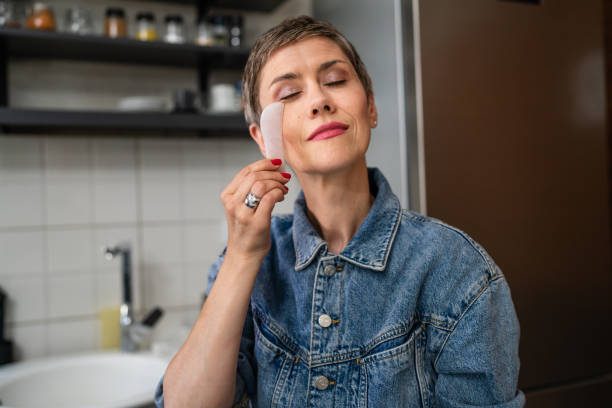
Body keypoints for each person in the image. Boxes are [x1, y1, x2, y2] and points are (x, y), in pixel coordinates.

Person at [154, 15, 525, 408]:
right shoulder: (249, 265)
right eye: (289, 94)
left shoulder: (458, 272)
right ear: (265, 139)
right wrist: (242, 256)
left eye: (335, 81)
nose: (319, 100)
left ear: (371, 109)